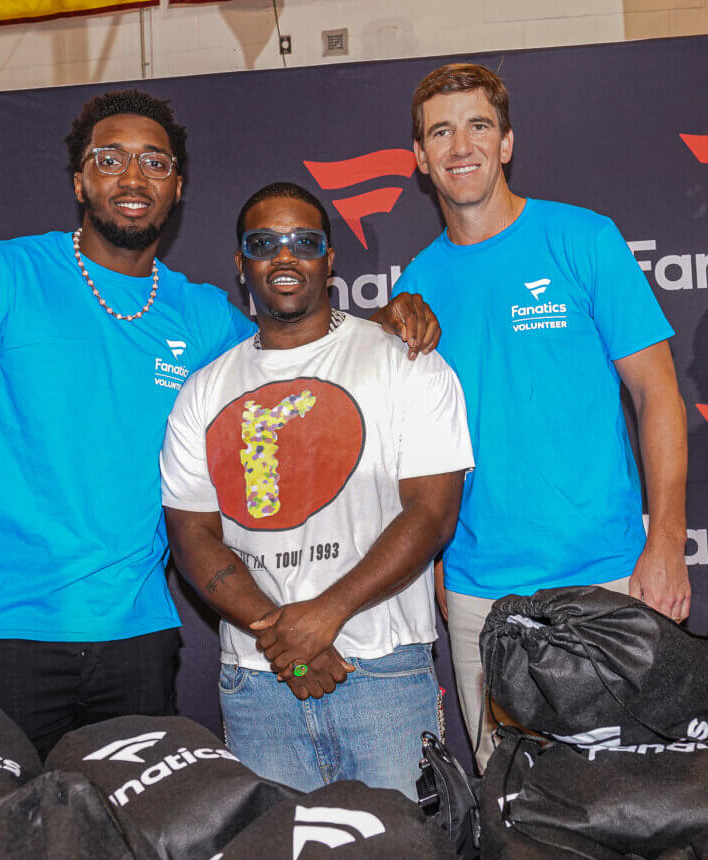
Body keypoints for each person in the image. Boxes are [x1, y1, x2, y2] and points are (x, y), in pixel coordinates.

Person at [0, 90, 440, 757]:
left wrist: (381, 324)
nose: (133, 177)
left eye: (154, 162)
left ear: (177, 187)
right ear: (80, 180)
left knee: (128, 828)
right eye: (111, 159)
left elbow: (297, 351)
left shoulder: (203, 316)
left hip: (138, 639)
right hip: (2, 632)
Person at [395, 63, 691, 769]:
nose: (460, 146)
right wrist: (436, 560)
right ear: (420, 158)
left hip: (608, 576)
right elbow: (416, 444)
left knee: (635, 795)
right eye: (440, 132)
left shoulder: (583, 239)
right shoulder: (416, 285)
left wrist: (666, 541)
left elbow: (656, 394)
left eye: (478, 126)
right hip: (479, 594)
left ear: (506, 143)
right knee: (513, 804)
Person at [160, 182, 474, 798]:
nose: (285, 256)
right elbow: (191, 534)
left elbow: (432, 514)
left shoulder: (405, 360)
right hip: (259, 680)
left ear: (329, 260)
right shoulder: (203, 391)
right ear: (241, 263)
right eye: (264, 243)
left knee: (404, 856)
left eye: (304, 242)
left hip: (382, 671)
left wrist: (325, 616)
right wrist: (285, 636)